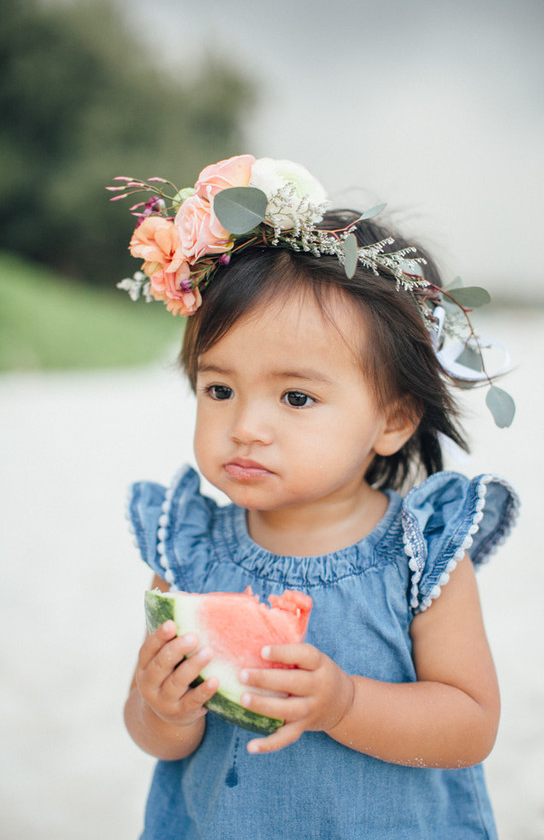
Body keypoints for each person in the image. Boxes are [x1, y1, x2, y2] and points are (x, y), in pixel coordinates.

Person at [113, 154, 519, 839]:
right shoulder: (184, 550)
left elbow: (470, 724)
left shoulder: (424, 556)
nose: (245, 426)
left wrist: (345, 702)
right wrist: (163, 709)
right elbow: (155, 736)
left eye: (296, 396)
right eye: (219, 389)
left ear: (392, 419)